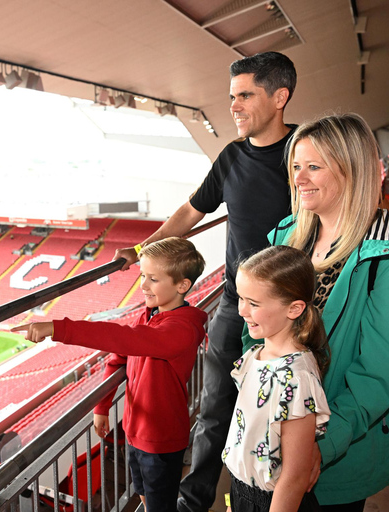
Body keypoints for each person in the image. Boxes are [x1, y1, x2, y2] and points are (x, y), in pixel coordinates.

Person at [113, 51, 298, 512]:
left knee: (283, 412)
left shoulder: (304, 154)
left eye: (245, 95)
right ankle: (194, 502)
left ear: (280, 97)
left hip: (289, 311)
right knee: (215, 408)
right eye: (232, 96)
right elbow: (191, 211)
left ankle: (271, 494)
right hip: (236, 305)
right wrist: (143, 250)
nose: (233, 106)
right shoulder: (232, 156)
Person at [244, 113, 389, 510]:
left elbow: (377, 374)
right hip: (269, 432)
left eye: (314, 167)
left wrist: (321, 446)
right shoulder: (287, 234)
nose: (299, 178)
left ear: (353, 170)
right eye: (296, 166)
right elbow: (254, 321)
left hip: (334, 453)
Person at [12, 237, 208, 512]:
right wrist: (102, 406)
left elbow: (123, 339)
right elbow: (118, 359)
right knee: (143, 492)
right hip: (134, 431)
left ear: (182, 285)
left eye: (153, 279)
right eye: (142, 275)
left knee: (160, 504)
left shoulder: (182, 330)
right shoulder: (148, 314)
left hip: (161, 439)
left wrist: (58, 329)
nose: (142, 285)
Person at [224, 245, 330, 512]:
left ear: (294, 309)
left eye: (254, 303)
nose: (242, 310)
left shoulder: (296, 378)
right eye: (241, 298)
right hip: (241, 493)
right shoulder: (256, 355)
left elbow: (294, 477)